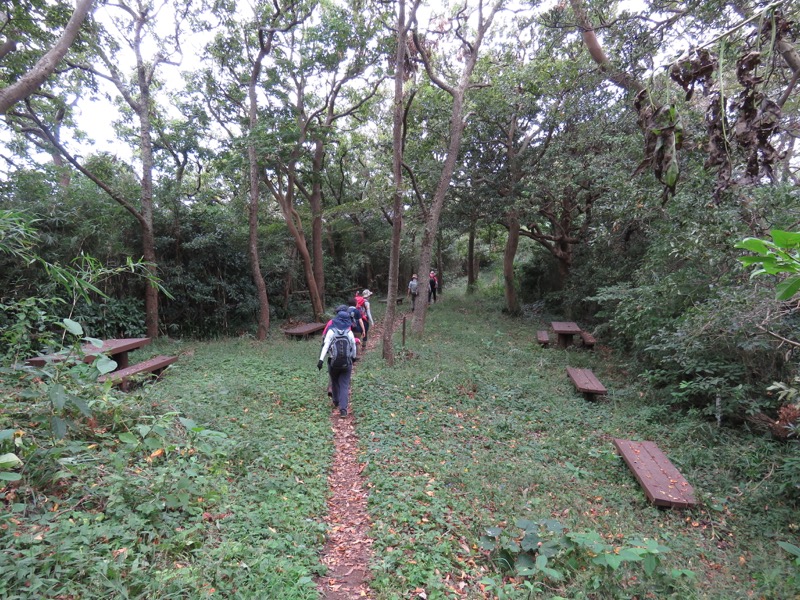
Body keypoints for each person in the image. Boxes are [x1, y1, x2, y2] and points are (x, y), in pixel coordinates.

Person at [318, 309, 357, 418]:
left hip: (333, 363)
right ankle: (343, 410)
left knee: (334, 381)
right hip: (346, 363)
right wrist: (353, 358)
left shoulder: (331, 332)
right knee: (344, 385)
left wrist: (321, 360)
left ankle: (335, 401)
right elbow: (353, 346)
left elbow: (325, 346)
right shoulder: (349, 333)